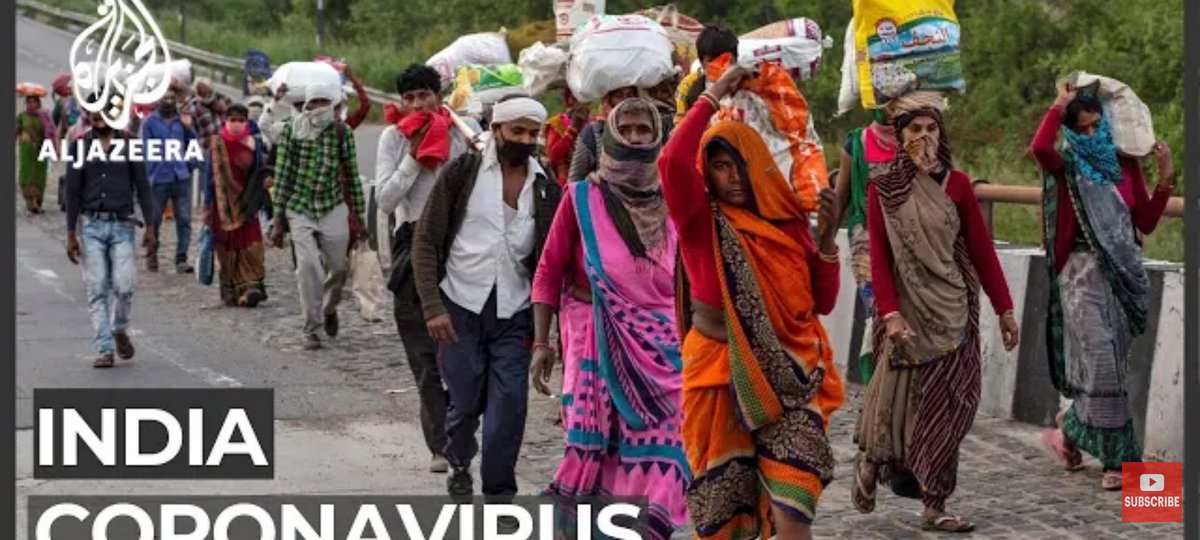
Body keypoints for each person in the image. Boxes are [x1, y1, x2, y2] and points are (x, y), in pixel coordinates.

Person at [661, 65, 843, 540]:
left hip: (789, 376)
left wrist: (826, 241)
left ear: (760, 163)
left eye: (741, 164)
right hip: (718, 374)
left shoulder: (788, 225)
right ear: (708, 172)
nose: (733, 176)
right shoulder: (701, 221)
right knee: (725, 510)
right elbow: (672, 163)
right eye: (721, 166)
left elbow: (822, 303)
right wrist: (715, 92)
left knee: (795, 499)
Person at [852, 94, 1020, 533]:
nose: (924, 137)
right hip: (908, 311)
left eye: (931, 129)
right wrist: (890, 314)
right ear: (900, 135)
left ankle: (928, 495)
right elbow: (880, 256)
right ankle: (896, 476)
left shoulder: (957, 185)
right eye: (915, 130)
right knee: (903, 403)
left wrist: (1004, 308)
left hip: (954, 309)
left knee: (956, 404)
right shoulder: (884, 187)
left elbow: (981, 250)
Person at [530, 98, 688, 539]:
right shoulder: (582, 198)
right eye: (628, 130)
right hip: (591, 335)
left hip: (662, 346)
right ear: (612, 138)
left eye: (644, 130)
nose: (636, 138)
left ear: (656, 136)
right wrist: (541, 343)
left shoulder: (674, 199)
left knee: (667, 444)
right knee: (598, 445)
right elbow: (548, 270)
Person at [411, 96, 562, 502]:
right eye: (517, 131)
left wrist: (550, 330)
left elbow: (551, 259)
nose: (525, 140)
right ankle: (459, 462)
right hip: (459, 307)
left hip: (515, 311)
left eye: (533, 133)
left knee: (509, 406)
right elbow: (426, 241)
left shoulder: (545, 187)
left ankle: (499, 495)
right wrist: (433, 307)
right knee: (465, 401)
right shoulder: (463, 173)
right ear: (496, 130)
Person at [1032, 82, 1176, 491]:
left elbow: (1144, 221)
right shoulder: (1067, 165)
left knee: (1110, 366)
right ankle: (1122, 463)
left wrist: (1165, 177)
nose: (1092, 134)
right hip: (1080, 275)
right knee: (1102, 360)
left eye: (1097, 125)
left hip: (1120, 277)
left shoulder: (1123, 166)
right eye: (1082, 129)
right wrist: (1058, 104)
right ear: (1071, 131)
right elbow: (1039, 148)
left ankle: (1069, 430)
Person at [374, 63, 474, 474]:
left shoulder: (462, 132)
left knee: (463, 349)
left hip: (460, 245)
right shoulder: (393, 138)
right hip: (413, 243)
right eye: (409, 98)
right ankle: (440, 444)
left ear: (438, 96)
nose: (417, 104)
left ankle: (462, 426)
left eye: (424, 96)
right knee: (424, 354)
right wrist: (415, 158)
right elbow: (385, 199)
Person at [270, 83, 367, 350]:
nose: (320, 108)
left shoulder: (341, 132)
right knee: (308, 266)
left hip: (331, 205)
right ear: (307, 105)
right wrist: (277, 220)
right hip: (299, 207)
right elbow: (282, 174)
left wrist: (359, 216)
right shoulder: (292, 130)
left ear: (333, 105)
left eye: (326, 102)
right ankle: (311, 327)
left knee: (339, 268)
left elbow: (352, 174)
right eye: (315, 102)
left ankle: (329, 307)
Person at [64, 107, 157, 368]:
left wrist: (151, 227)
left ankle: (119, 328)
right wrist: (70, 233)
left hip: (122, 226)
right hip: (91, 227)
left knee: (124, 286)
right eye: (94, 113)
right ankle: (104, 349)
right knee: (97, 289)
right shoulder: (79, 146)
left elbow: (143, 186)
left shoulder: (130, 144)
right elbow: (72, 190)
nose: (98, 118)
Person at [836, 107, 898, 385]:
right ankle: (877, 384)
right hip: (867, 242)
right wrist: (823, 247)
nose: (892, 109)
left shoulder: (920, 139)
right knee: (880, 314)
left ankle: (898, 388)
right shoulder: (857, 143)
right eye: (886, 101)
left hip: (909, 239)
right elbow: (841, 196)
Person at [202, 103, 268, 308]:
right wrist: (206, 207)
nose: (237, 125)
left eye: (241, 120)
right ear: (225, 121)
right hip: (222, 207)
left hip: (247, 204)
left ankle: (250, 289)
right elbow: (209, 177)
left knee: (251, 245)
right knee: (227, 248)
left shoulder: (254, 143)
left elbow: (260, 172)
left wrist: (264, 193)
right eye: (232, 120)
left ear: (247, 122)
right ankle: (232, 292)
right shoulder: (217, 144)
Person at [140, 84, 199, 273]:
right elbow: (145, 151)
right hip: (158, 178)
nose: (169, 101)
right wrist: (149, 174)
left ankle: (181, 258)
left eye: (172, 98)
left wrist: (189, 165)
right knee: (154, 219)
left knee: (184, 220)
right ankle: (152, 255)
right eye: (165, 98)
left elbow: (193, 144)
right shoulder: (149, 122)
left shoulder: (182, 120)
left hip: (180, 176)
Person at [561, 86, 638, 182]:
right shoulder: (593, 132)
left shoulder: (644, 130)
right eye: (619, 96)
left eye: (630, 96)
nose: (625, 101)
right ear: (608, 100)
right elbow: (575, 180)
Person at [16, 91, 56, 214]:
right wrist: (22, 134)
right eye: (29, 102)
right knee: (27, 174)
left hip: (41, 149)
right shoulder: (21, 116)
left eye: (34, 102)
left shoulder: (44, 116)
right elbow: (15, 131)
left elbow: (50, 132)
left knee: (39, 176)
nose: (32, 104)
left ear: (39, 103)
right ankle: (30, 202)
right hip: (27, 151)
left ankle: (37, 202)